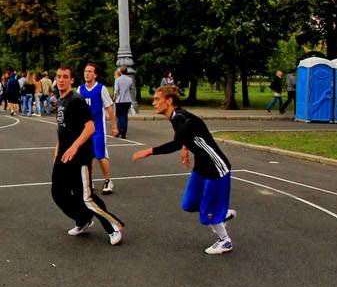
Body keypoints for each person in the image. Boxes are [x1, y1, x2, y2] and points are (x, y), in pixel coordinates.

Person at [132, 85, 236, 255]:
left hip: (215, 167)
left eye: (157, 99)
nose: (153, 103)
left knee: (207, 213)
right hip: (201, 165)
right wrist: (186, 148)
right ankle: (221, 214)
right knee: (189, 203)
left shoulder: (180, 117)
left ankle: (225, 241)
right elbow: (190, 134)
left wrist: (148, 151)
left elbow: (176, 142)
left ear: (169, 101)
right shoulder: (177, 117)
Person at [50, 65, 124, 245]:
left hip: (80, 156)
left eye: (65, 77)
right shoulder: (60, 100)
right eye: (58, 76)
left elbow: (90, 127)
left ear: (71, 80)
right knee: (58, 192)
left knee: (86, 196)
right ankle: (83, 219)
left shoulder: (76, 100)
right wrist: (58, 149)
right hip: (64, 155)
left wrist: (74, 147)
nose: (61, 80)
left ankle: (113, 227)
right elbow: (63, 128)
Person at [79, 63, 118, 192]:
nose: (87, 74)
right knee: (87, 156)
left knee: (100, 155)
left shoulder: (101, 89)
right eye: (86, 71)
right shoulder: (80, 89)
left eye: (90, 71)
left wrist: (114, 126)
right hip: (85, 129)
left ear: (95, 75)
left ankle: (108, 180)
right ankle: (89, 181)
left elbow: (109, 108)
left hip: (97, 129)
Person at [113, 67, 135, 139]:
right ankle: (124, 132)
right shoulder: (130, 79)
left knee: (118, 116)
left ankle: (119, 129)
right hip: (127, 100)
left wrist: (114, 97)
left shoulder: (118, 79)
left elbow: (116, 90)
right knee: (124, 116)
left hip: (120, 100)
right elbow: (131, 89)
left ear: (120, 72)